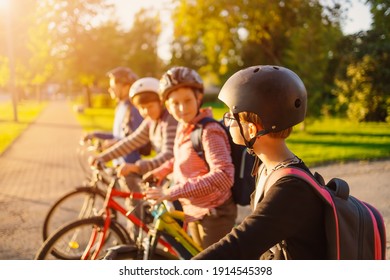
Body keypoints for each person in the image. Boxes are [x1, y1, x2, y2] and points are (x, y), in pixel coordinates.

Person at [192, 65, 327, 260]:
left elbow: (240, 244)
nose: (227, 122)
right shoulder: (267, 167)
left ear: (252, 130)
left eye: (231, 116)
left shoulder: (291, 189)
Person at [143, 66, 237, 249]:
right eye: (175, 103)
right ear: (167, 107)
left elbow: (224, 176)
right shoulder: (184, 126)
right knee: (195, 253)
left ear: (198, 98)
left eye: (187, 100)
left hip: (215, 214)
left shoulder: (209, 132)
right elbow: (179, 158)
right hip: (195, 211)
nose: (182, 108)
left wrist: (170, 193)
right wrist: (159, 172)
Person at [89, 77, 178, 239]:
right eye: (141, 108)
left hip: (177, 179)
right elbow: (130, 142)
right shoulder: (151, 121)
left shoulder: (169, 120)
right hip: (165, 174)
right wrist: (102, 157)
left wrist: (137, 166)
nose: (146, 112)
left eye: (150, 106)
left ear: (160, 101)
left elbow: (169, 155)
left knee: (172, 229)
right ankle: (136, 230)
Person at [83, 66, 145, 167]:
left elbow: (139, 141)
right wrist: (95, 134)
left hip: (129, 167)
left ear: (126, 87)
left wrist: (115, 142)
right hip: (117, 164)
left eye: (113, 86)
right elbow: (117, 135)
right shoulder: (120, 106)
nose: (110, 89)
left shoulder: (134, 109)